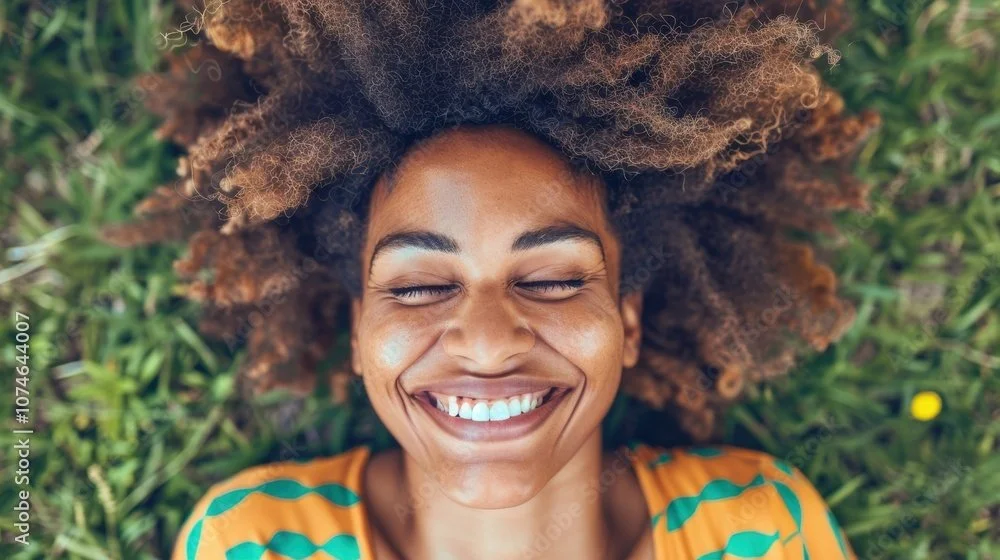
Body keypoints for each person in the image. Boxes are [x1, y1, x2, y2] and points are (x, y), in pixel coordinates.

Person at [103, 1, 879, 558]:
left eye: (548, 279)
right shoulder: (255, 540)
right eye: (415, 287)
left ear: (630, 321)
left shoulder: (759, 528)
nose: (485, 340)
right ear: (356, 334)